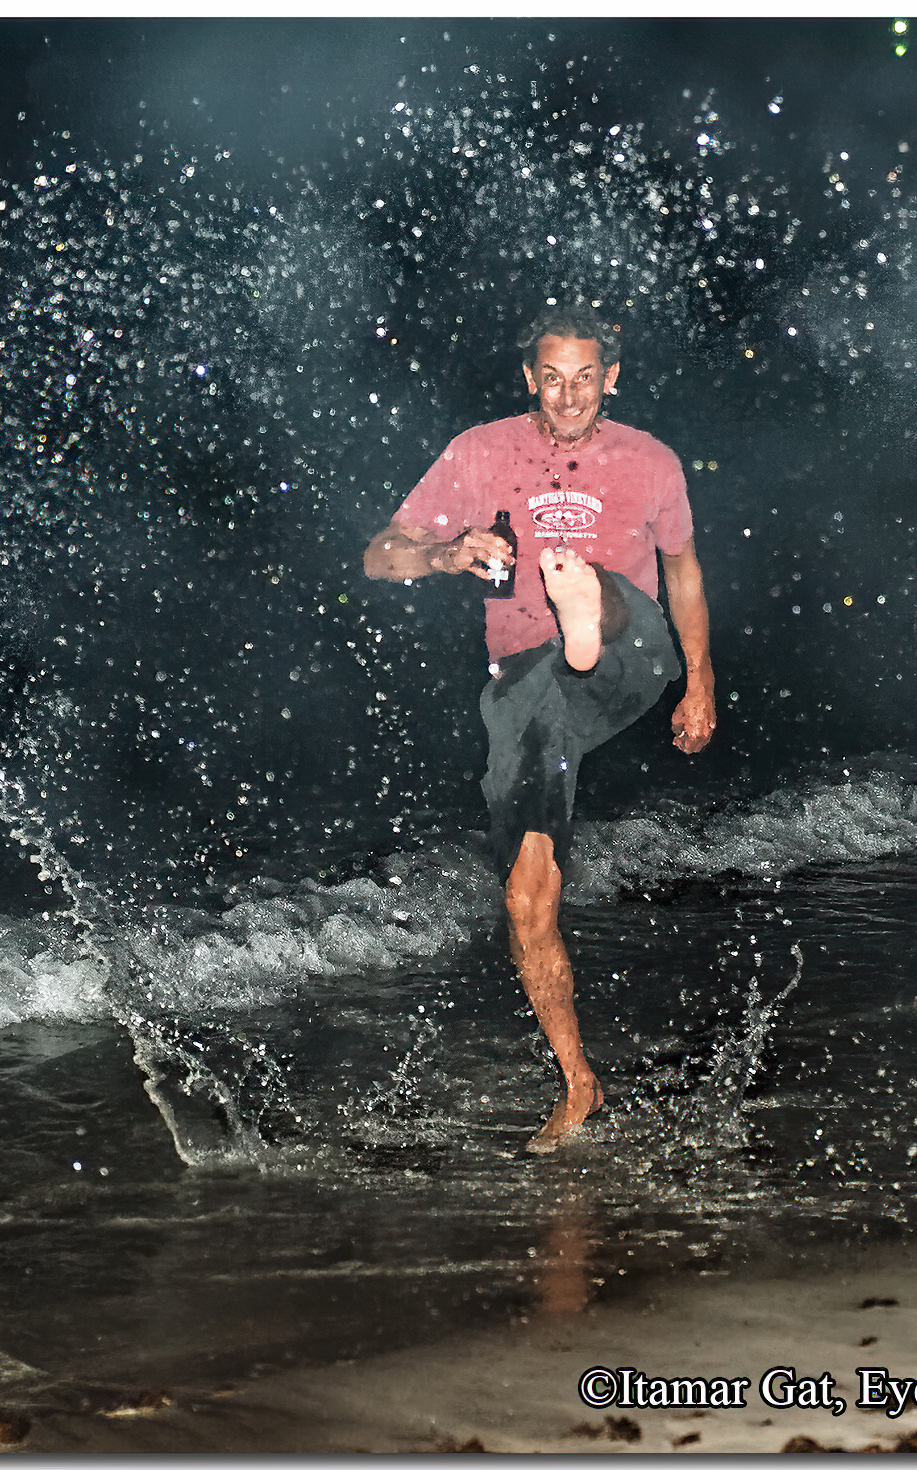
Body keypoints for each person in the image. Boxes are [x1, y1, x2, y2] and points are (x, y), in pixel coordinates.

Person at [363, 305, 716, 1152]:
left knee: (599, 606)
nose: (568, 396)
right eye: (552, 378)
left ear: (611, 379)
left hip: (633, 650)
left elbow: (682, 572)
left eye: (585, 378)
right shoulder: (478, 452)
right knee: (526, 898)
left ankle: (584, 604)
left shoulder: (651, 461)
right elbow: (379, 556)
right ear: (530, 378)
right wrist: (446, 554)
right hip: (527, 685)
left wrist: (701, 681)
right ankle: (578, 1080)